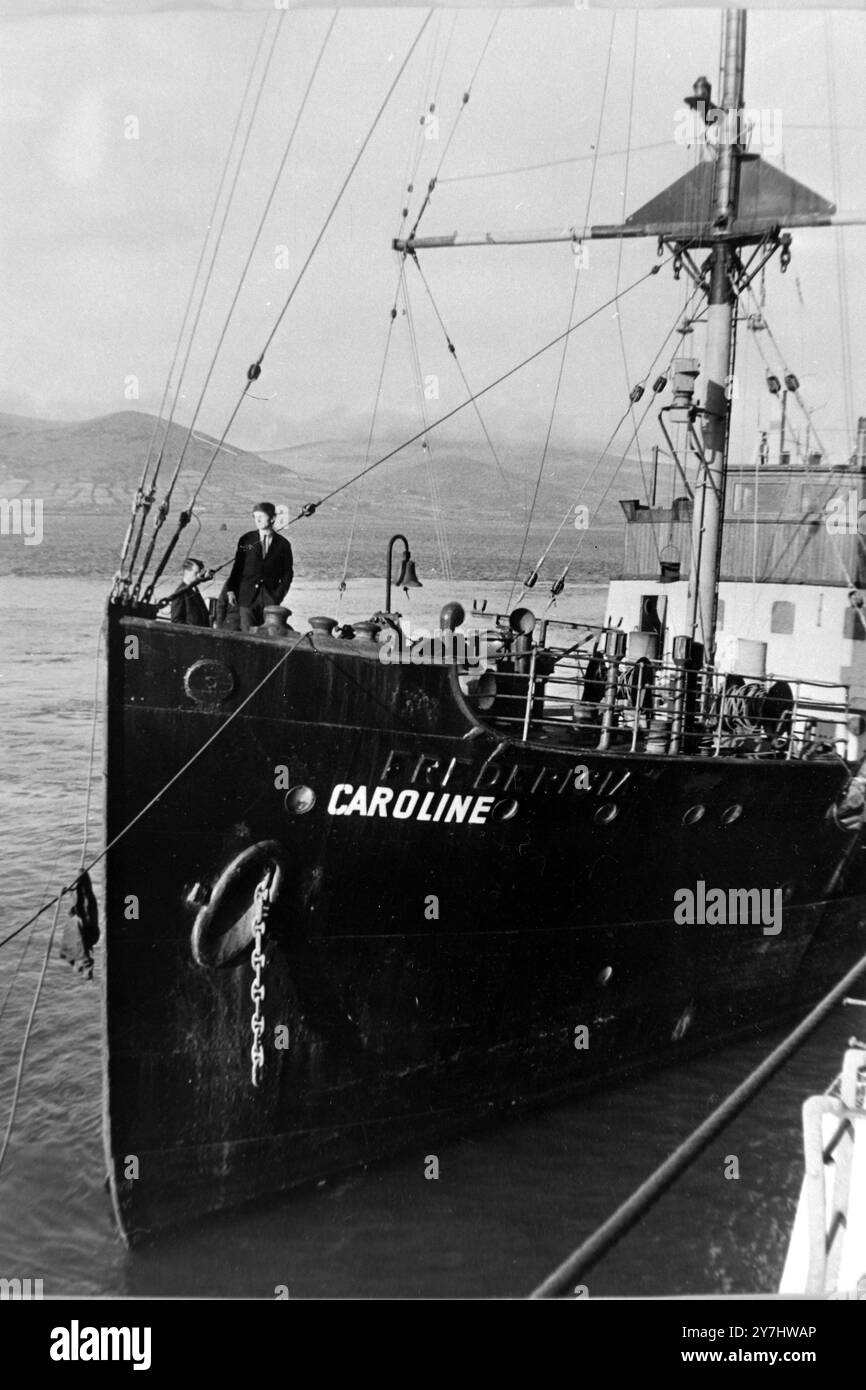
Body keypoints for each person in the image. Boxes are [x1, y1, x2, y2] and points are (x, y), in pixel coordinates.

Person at [224, 502, 294, 632]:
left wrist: (277, 596)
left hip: (270, 600)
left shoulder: (283, 545)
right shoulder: (246, 540)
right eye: (255, 517)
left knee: (268, 635)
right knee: (248, 635)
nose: (258, 520)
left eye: (261, 516)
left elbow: (287, 575)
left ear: (272, 518)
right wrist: (231, 590)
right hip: (247, 598)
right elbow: (237, 567)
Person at [170, 557, 210, 626]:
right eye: (196, 573)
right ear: (187, 571)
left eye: (200, 573)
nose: (198, 576)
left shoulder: (194, 590)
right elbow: (176, 621)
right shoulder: (180, 593)